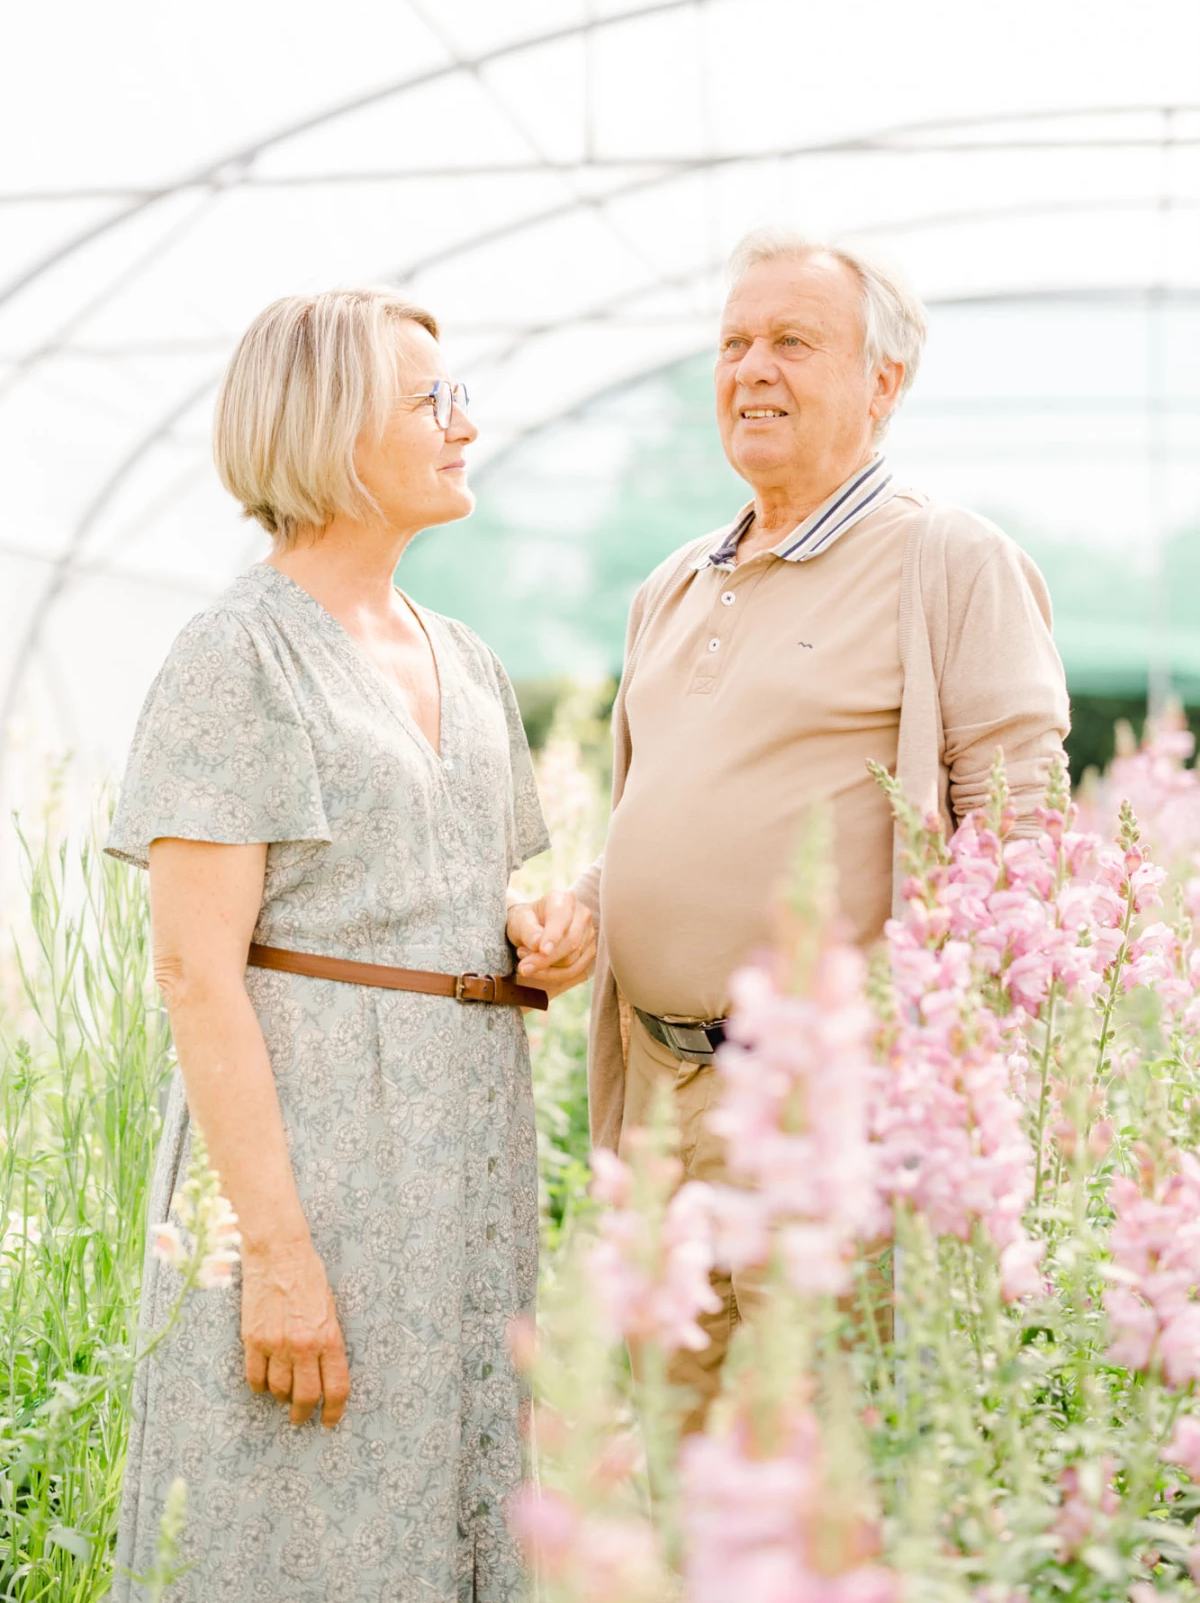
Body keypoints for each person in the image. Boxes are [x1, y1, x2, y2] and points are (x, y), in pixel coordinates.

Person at [104, 288, 593, 1603]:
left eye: (460, 395)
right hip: (313, 1173)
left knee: (455, 1514)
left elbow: (442, 879)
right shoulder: (235, 654)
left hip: (463, 1178)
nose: (466, 426)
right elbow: (196, 971)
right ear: (324, 427)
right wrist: (275, 1253)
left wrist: (529, 932)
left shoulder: (467, 658)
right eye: (428, 401)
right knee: (289, 1526)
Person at [572, 229, 1070, 1428]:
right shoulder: (676, 580)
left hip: (822, 1112)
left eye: (793, 341)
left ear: (882, 384)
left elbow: (1022, 832)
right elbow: (662, 813)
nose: (752, 369)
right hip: (660, 1097)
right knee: (680, 1458)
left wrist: (936, 1074)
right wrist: (587, 909)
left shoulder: (944, 559)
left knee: (827, 1460)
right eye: (734, 343)